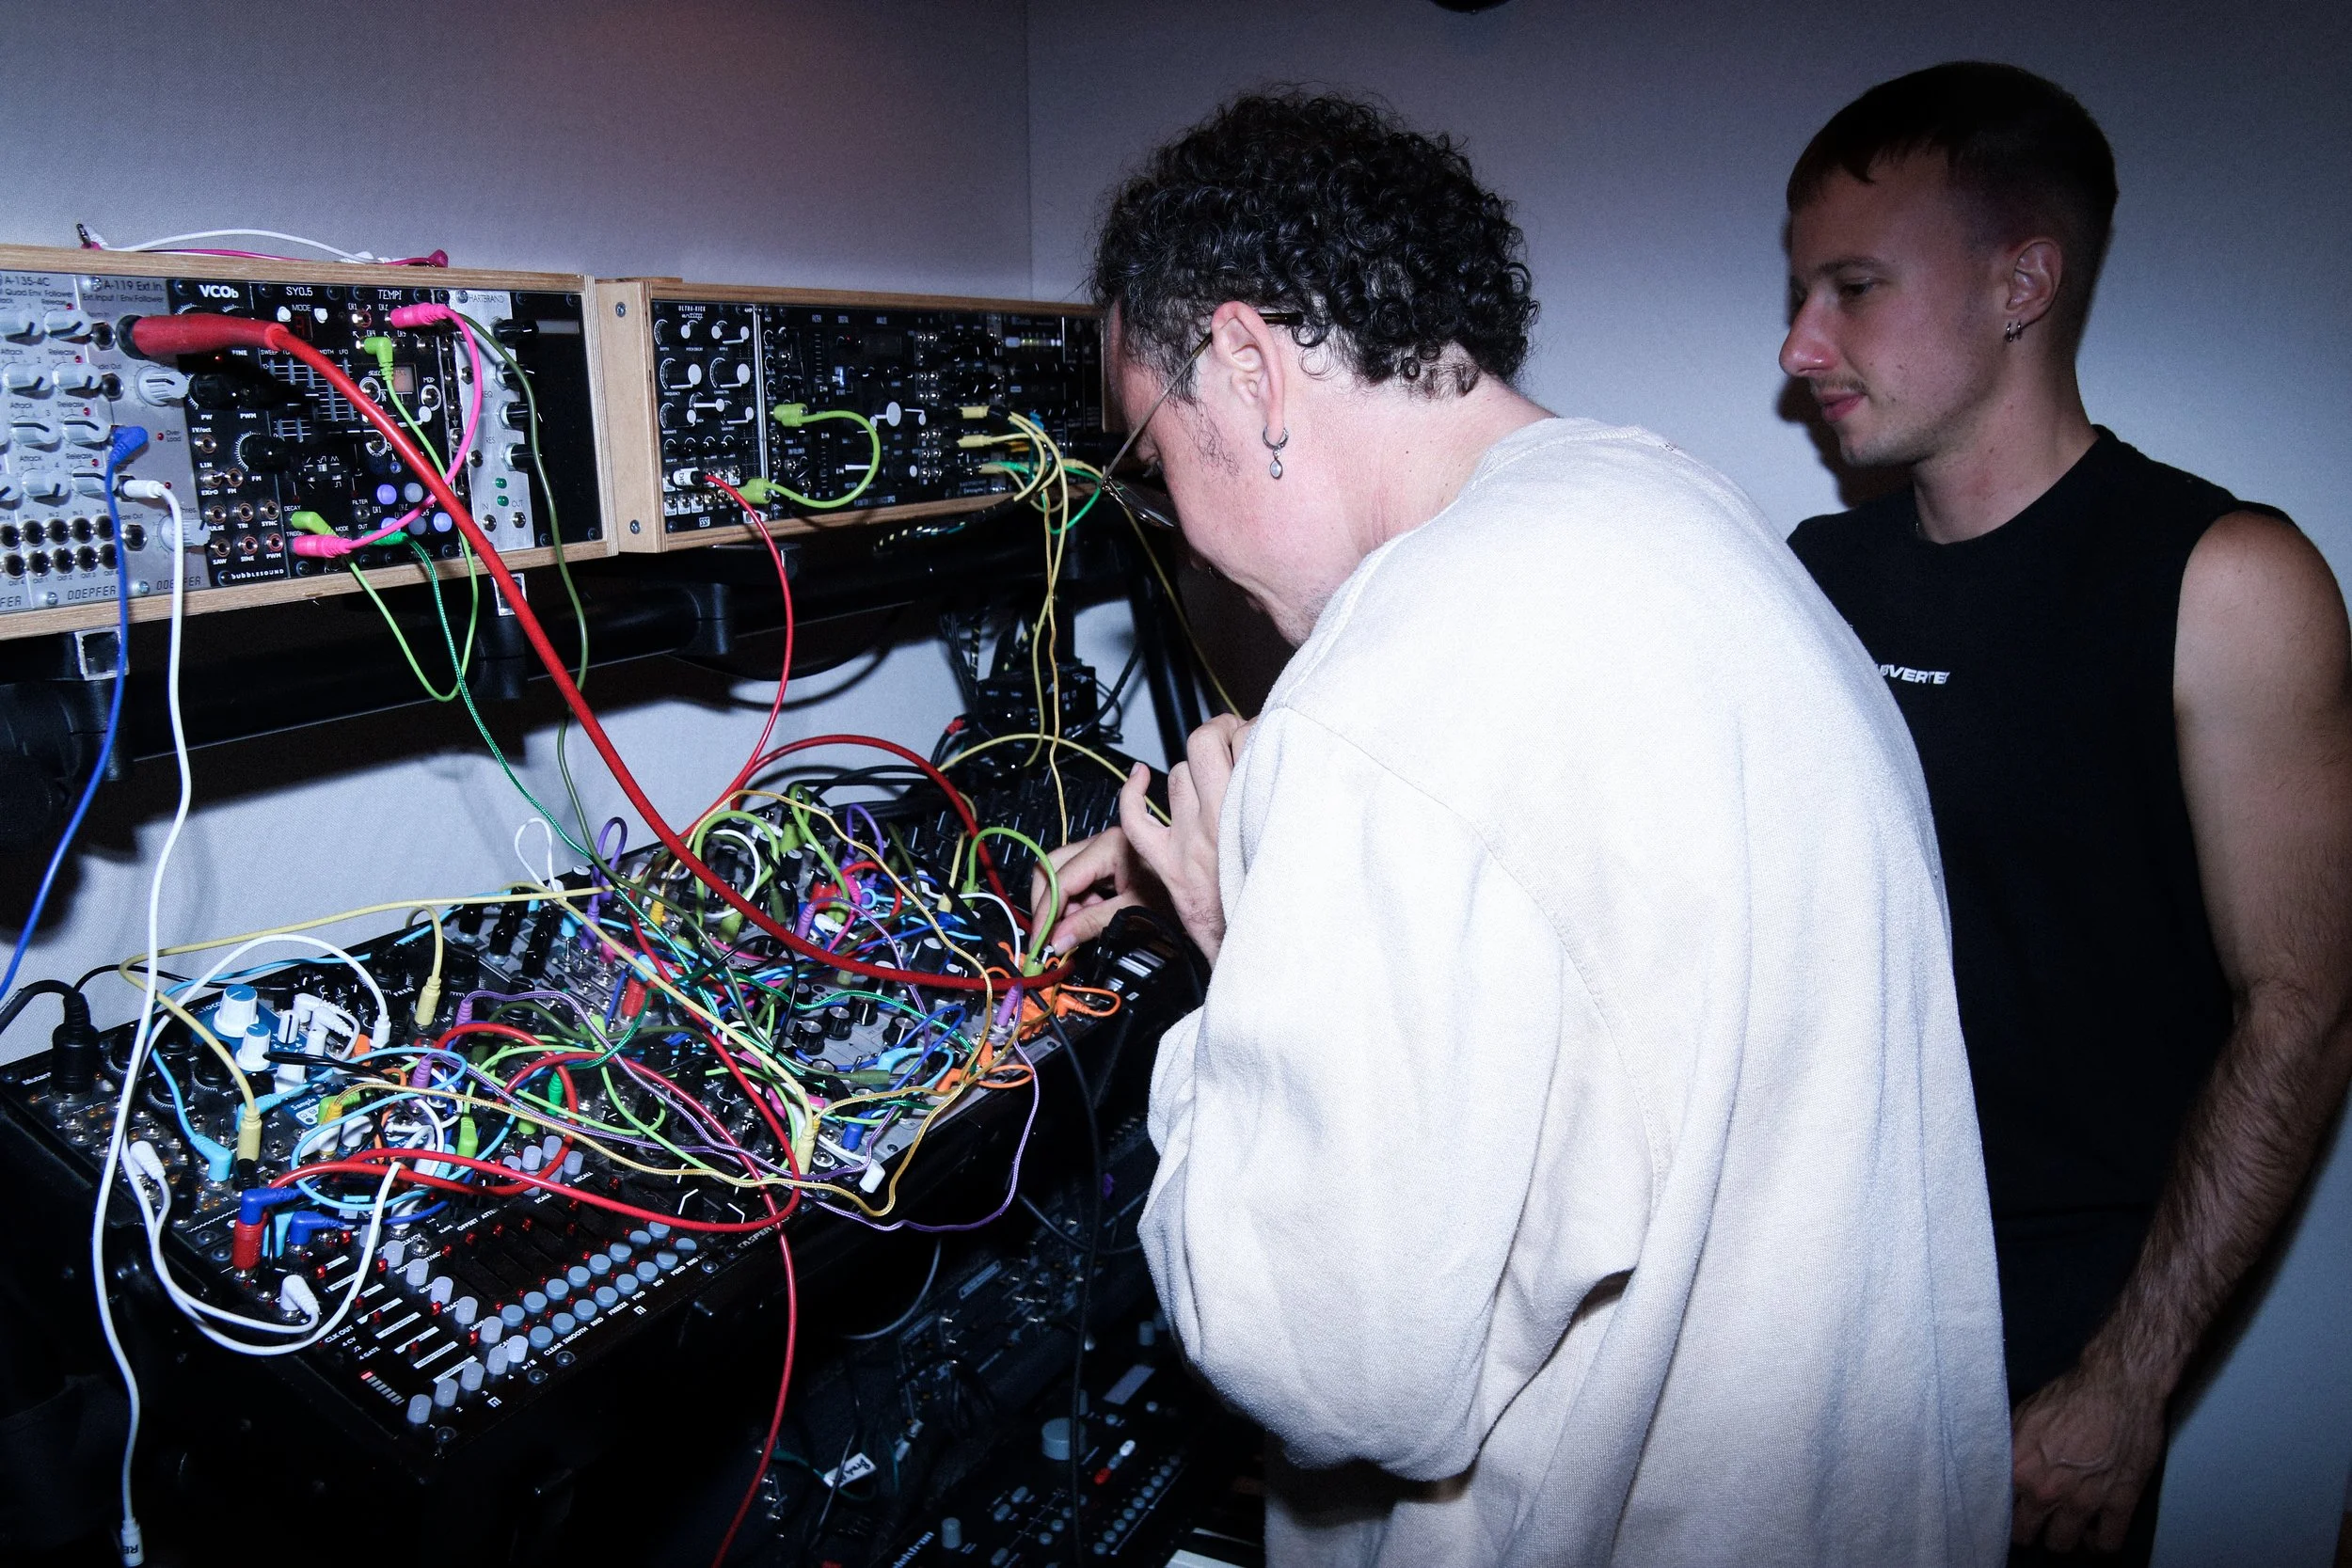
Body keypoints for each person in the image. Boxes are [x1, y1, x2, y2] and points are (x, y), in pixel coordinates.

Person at [1041, 91, 2010, 1567]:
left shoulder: (1392, 690)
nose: (1188, 532)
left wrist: (1242, 946)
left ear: (1247, 366)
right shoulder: (1684, 516)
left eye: (1159, 456)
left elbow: (1324, 1365)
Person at [1781, 62, 2352, 1563]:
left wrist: (2127, 1379)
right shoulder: (1814, 575)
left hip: (2056, 1339)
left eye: (1853, 288)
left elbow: (2305, 1006)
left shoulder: (2225, 579)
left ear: (2021, 282)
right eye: (1800, 292)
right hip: (1812, 1305)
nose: (1799, 346)